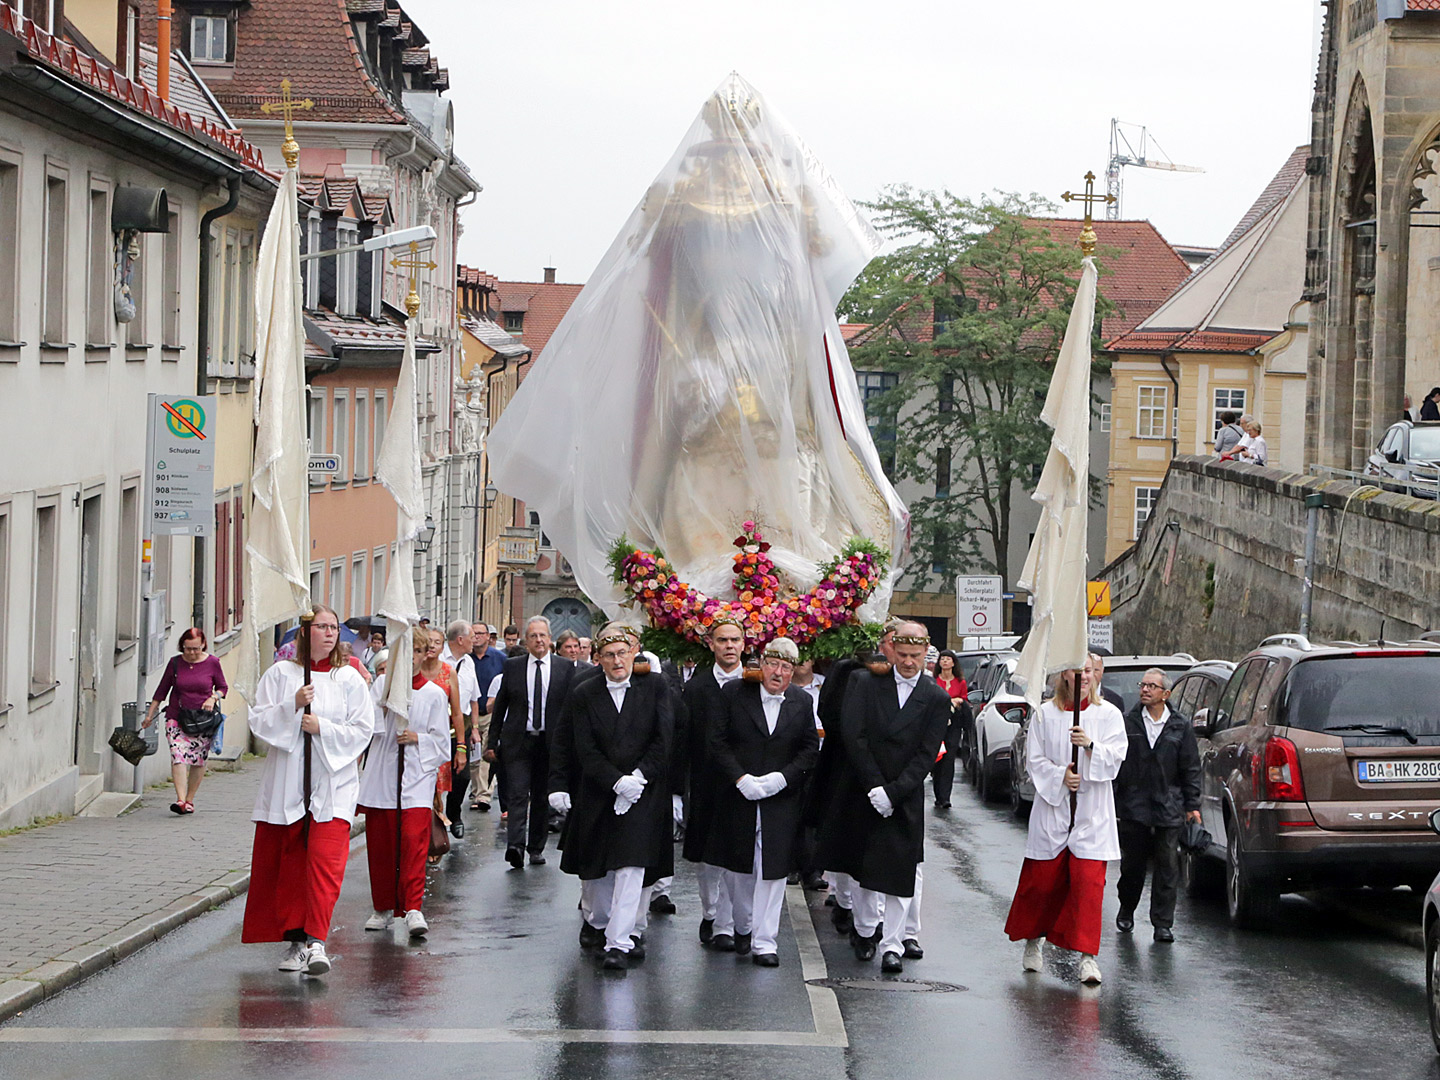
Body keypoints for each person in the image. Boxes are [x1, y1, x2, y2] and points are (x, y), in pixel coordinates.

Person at [242, 605, 374, 977]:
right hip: (289, 785)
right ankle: (297, 941)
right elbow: (259, 722)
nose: (330, 633)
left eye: (334, 627)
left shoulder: (348, 679)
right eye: (322, 626)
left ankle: (318, 941)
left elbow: (363, 730)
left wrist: (323, 728)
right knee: (292, 865)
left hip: (333, 785)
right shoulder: (282, 675)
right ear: (306, 632)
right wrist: (292, 706)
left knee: (325, 863)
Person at [816, 622, 949, 974]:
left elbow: (926, 753)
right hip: (864, 787)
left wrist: (894, 791)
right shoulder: (865, 682)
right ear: (892, 652)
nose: (907, 662)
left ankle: (892, 943)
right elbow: (853, 733)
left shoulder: (936, 697)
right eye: (902, 655)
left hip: (903, 794)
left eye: (915, 656)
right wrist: (874, 785)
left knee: (900, 870)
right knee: (863, 864)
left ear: (926, 654)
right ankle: (864, 930)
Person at [549, 624, 673, 970]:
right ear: (598, 659)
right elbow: (584, 748)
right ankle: (600, 923)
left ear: (635, 652)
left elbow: (663, 740)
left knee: (632, 865)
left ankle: (622, 940)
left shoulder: (655, 687)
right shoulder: (585, 693)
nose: (617, 660)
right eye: (609, 655)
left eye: (622, 653)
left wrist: (638, 778)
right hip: (599, 790)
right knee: (598, 867)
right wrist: (616, 782)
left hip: (643, 791)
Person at [1003, 656, 1127, 986]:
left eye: (1088, 671)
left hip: (1091, 813)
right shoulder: (1047, 714)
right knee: (1042, 882)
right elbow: (1035, 758)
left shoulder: (1109, 715)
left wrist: (1090, 747)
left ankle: (1087, 957)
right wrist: (1061, 777)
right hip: (1055, 810)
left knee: (1088, 885)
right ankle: (1033, 940)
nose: (1083, 676)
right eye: (1077, 670)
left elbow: (1116, 759)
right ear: (1064, 674)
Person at [705, 638, 818, 966]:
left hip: (780, 800)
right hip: (739, 794)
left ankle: (765, 941)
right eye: (772, 664)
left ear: (793, 671)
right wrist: (741, 779)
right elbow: (718, 741)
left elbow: (809, 748)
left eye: (786, 667)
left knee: (773, 872)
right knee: (738, 869)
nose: (778, 672)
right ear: (760, 664)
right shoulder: (735, 694)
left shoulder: (800, 700)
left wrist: (781, 778)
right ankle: (742, 925)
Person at [358, 631, 451, 937]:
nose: (409, 658)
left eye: (416, 652)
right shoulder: (381, 687)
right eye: (403, 652)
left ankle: (412, 907)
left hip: (415, 781)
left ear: (425, 655)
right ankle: (383, 907)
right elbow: (365, 726)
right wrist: (382, 709)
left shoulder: (435, 695)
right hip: (383, 778)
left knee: (413, 844)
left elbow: (441, 745)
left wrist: (417, 738)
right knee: (382, 846)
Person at [1114, 669, 1202, 943]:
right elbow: (1116, 764)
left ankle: (1163, 923)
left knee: (1167, 867)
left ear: (1166, 694)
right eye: (1143, 685)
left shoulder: (1180, 725)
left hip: (1168, 805)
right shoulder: (1127, 722)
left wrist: (1192, 804)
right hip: (1134, 804)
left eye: (1152, 686)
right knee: (1133, 865)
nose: (1145, 690)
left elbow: (1190, 767)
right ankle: (1127, 908)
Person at [485, 616, 577, 867]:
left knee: (540, 797)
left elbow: (571, 710)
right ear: (526, 641)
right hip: (518, 741)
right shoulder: (513, 666)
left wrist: (571, 745)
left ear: (550, 639)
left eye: (543, 635)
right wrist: (492, 742)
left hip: (550, 743)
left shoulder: (564, 668)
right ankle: (515, 846)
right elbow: (501, 704)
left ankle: (536, 847)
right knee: (516, 794)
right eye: (533, 636)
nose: (538, 640)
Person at [679, 616, 748, 946]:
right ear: (711, 644)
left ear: (745, 644)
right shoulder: (697, 687)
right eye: (723, 640)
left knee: (737, 855)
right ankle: (711, 913)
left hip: (744, 783)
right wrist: (680, 789)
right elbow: (685, 737)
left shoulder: (754, 685)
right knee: (707, 857)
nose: (729, 646)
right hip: (705, 783)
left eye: (735, 640)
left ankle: (732, 922)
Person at [143, 627, 228, 815]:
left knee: (198, 760)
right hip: (177, 717)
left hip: (203, 720)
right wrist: (149, 715)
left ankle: (190, 800)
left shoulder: (213, 663)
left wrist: (213, 697)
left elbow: (223, 687)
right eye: (188, 649)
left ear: (203, 645)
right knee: (178, 756)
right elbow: (161, 691)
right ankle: (180, 800)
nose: (191, 653)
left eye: (196, 649)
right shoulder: (175, 663)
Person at [419, 628, 465, 841]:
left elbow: (456, 712)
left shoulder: (448, 672)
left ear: (442, 646)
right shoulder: (413, 670)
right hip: (415, 739)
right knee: (421, 791)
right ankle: (424, 835)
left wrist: (462, 748)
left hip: (440, 739)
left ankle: (435, 835)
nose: (431, 646)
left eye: (436, 642)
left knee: (437, 790)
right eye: (427, 642)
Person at [441, 621, 480, 836]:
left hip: (461, 726)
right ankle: (436, 820)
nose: (474, 640)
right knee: (437, 776)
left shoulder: (469, 663)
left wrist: (474, 728)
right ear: (460, 639)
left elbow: (474, 699)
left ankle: (454, 814)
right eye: (472, 636)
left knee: (462, 775)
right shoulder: (438, 659)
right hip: (438, 726)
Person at [469, 623, 507, 813]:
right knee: (473, 758)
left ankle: (484, 795)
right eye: (473, 633)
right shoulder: (466, 660)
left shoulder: (500, 659)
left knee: (485, 754)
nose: (476, 637)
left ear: (488, 636)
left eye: (480, 633)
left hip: (491, 713)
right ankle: (476, 791)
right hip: (468, 714)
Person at [930, 650, 967, 810]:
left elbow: (965, 701)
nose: (945, 662)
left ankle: (945, 797)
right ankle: (938, 795)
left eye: (948, 659)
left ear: (953, 663)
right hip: (937, 725)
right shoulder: (934, 681)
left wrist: (958, 701)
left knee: (949, 759)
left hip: (954, 725)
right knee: (938, 758)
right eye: (942, 659)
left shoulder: (960, 682)